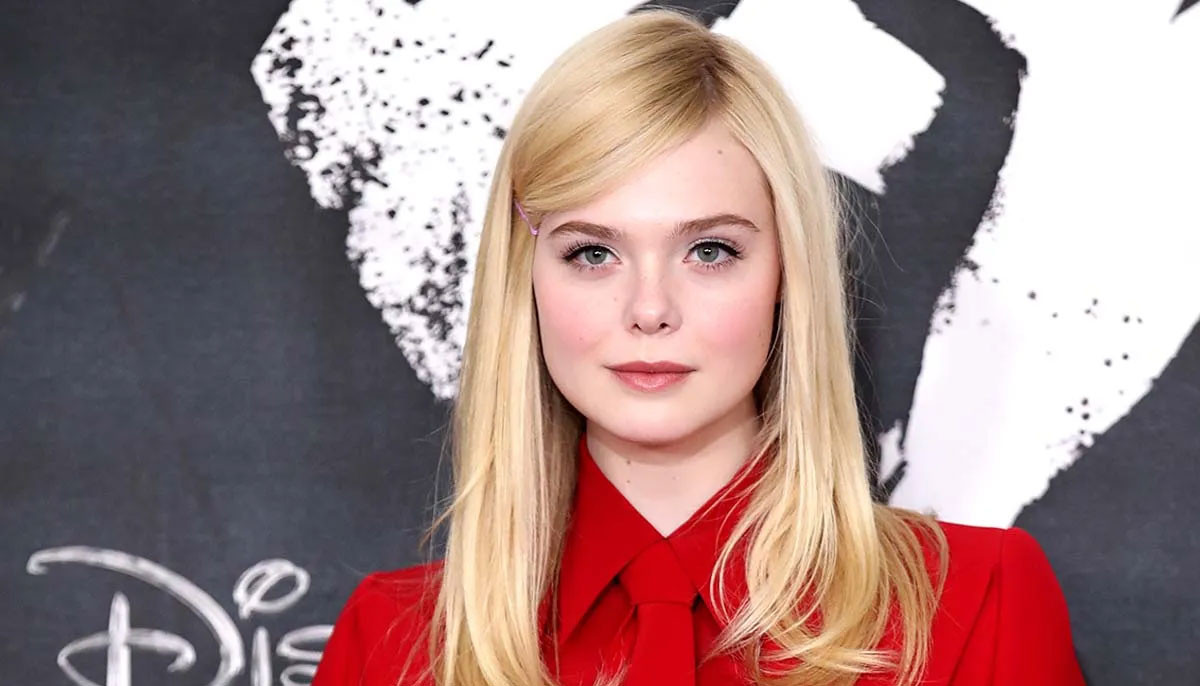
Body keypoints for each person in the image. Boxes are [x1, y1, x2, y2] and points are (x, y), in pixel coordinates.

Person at [310, 8, 1084, 686]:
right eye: (592, 253)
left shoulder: (981, 604)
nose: (650, 309)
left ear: (787, 273)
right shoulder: (391, 645)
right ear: (527, 280)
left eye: (710, 251)